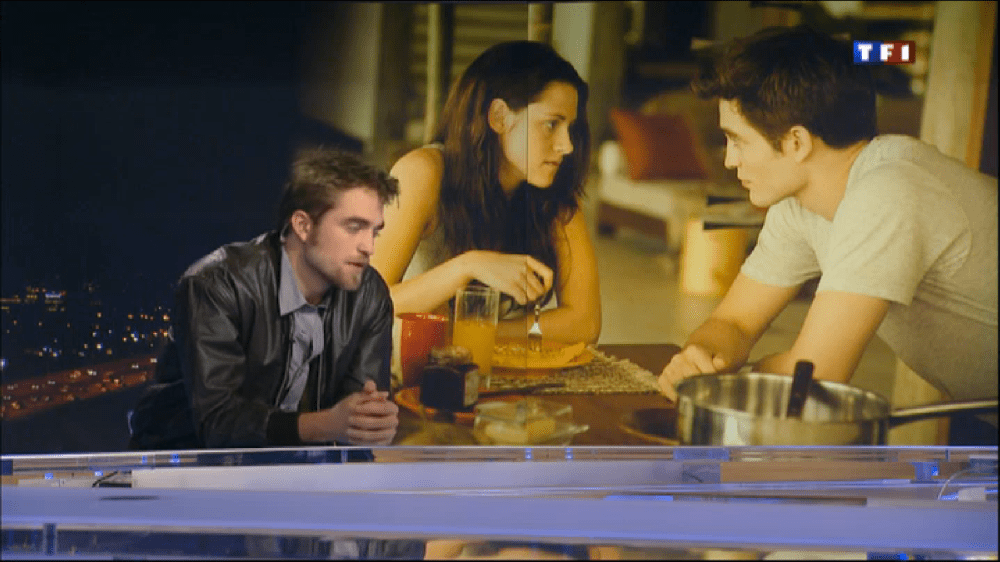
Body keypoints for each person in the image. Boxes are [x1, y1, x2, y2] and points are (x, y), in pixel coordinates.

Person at [658, 27, 998, 444]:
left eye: (737, 141)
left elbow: (815, 377)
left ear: (796, 142)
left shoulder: (887, 192)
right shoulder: (799, 206)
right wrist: (701, 357)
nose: (729, 160)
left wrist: (719, 383)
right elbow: (734, 322)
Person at [129, 148, 402, 450]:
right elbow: (218, 423)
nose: (369, 247)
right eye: (354, 227)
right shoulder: (216, 285)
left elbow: (357, 417)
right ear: (303, 225)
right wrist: (327, 425)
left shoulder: (370, 294)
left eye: (375, 231)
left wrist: (370, 425)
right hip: (182, 461)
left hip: (294, 467)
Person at [372, 40, 601, 345]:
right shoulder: (423, 173)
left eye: (570, 127)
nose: (567, 145)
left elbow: (584, 323)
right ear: (499, 117)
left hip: (493, 364)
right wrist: (468, 266)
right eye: (551, 125)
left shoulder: (553, 193)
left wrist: (473, 334)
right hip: (409, 367)